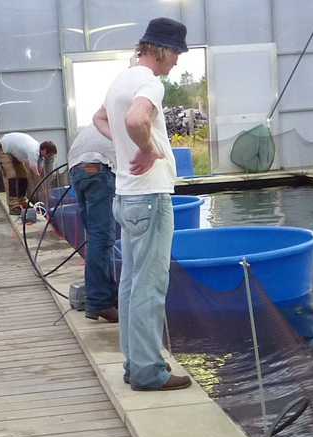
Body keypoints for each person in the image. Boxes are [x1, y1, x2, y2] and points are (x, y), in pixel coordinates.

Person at [93, 17, 192, 391]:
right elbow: (136, 118)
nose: (178, 63)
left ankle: (135, 366)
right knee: (150, 287)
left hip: (126, 196)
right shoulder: (149, 83)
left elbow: (101, 118)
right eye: (177, 54)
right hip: (150, 196)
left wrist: (128, 144)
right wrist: (148, 150)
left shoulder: (121, 79)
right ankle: (150, 372)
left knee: (131, 286)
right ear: (163, 50)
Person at [67, 123, 118, 323]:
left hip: (77, 171)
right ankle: (98, 302)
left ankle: (109, 294)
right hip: (97, 168)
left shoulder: (96, 123)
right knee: (102, 238)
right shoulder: (127, 119)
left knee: (96, 237)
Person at [0, 133, 57, 215]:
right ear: (44, 150)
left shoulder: (41, 154)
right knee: (11, 175)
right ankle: (13, 206)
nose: (49, 157)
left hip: (12, 151)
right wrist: (42, 192)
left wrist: (44, 188)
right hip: (2, 148)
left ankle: (22, 201)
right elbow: (35, 172)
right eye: (49, 155)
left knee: (23, 174)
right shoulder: (33, 150)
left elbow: (40, 173)